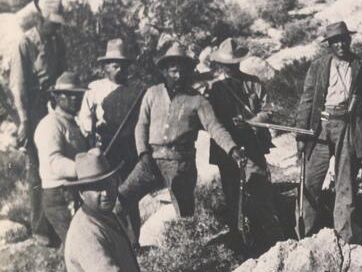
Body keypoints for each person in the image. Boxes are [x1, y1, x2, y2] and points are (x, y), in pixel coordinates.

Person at [118, 42, 242, 234]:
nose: (178, 76)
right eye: (173, 71)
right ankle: (127, 246)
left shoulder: (198, 100)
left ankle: (190, 253)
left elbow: (214, 126)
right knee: (121, 200)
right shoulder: (152, 93)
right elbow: (141, 125)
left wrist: (232, 148)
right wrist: (143, 153)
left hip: (181, 164)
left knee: (185, 217)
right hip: (150, 161)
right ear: (165, 71)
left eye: (182, 71)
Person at [295, 22, 362, 243]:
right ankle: (305, 234)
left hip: (349, 126)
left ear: (349, 40)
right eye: (335, 41)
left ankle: (345, 235)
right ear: (329, 45)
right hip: (321, 125)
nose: (341, 44)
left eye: (344, 39)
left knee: (346, 182)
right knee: (310, 181)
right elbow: (306, 100)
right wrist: (301, 134)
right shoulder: (318, 66)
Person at [205, 37, 284, 248]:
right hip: (226, 149)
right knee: (233, 195)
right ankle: (239, 241)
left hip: (252, 144)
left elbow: (269, 110)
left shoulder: (254, 83)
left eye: (233, 64)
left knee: (259, 188)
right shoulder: (214, 89)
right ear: (220, 64)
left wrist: (251, 122)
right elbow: (209, 120)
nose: (229, 68)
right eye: (225, 65)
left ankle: (269, 239)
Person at [9, 0, 67, 246]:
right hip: (32, 109)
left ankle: (56, 221)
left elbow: (63, 73)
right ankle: (40, 228)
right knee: (36, 167)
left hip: (53, 105)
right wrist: (23, 120)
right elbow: (18, 85)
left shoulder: (56, 42)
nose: (56, 27)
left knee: (55, 162)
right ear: (41, 19)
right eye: (52, 23)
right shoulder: (25, 44)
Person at [78, 39, 146, 231]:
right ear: (105, 67)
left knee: (127, 193)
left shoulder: (135, 90)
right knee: (106, 194)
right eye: (116, 66)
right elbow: (84, 118)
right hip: (104, 148)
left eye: (124, 66)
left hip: (127, 148)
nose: (120, 70)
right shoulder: (94, 88)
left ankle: (134, 240)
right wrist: (92, 139)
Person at [32, 72, 88, 245]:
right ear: (56, 97)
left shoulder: (70, 123)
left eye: (79, 94)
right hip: (59, 194)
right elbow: (54, 162)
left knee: (81, 242)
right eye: (69, 95)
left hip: (71, 191)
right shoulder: (51, 124)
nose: (75, 99)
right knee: (76, 244)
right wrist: (87, 168)